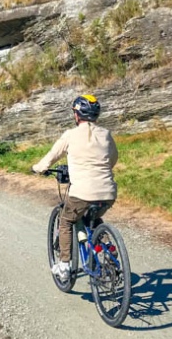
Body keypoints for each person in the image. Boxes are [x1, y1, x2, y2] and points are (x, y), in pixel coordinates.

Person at [32, 94, 118, 282]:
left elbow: (51, 156)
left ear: (77, 115)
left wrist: (38, 168)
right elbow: (112, 159)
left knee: (66, 221)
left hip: (82, 193)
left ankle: (64, 265)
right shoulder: (106, 135)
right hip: (108, 192)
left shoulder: (70, 135)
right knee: (92, 217)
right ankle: (107, 247)